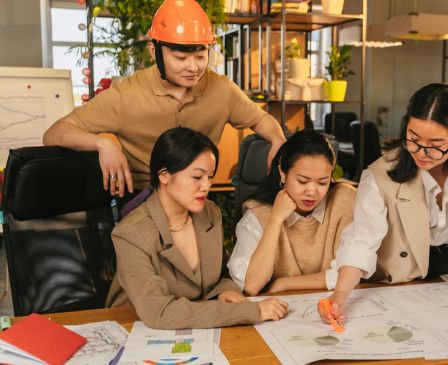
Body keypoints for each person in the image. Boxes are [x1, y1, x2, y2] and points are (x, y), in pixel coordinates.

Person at [318, 83, 448, 323]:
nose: (422, 152)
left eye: (437, 146)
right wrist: (340, 295)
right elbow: (361, 242)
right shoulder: (379, 175)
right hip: (403, 280)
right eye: (413, 138)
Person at [42, 0, 285, 198]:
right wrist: (102, 144)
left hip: (196, 196)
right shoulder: (126, 95)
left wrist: (276, 138)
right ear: (153, 51)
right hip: (142, 199)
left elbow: (259, 118)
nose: (193, 68)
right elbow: (54, 133)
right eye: (180, 58)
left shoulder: (222, 89)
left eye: (201, 57)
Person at [106, 127, 288, 329]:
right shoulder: (130, 233)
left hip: (195, 329)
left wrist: (225, 291)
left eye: (210, 177)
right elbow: (159, 312)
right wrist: (249, 311)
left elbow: (220, 275)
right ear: (164, 175)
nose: (206, 186)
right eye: (197, 177)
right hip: (133, 329)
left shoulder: (209, 214)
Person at [228, 130, 356, 296]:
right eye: (302, 181)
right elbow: (251, 286)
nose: (312, 192)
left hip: (334, 304)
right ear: (283, 173)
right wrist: (275, 220)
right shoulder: (257, 213)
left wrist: (284, 284)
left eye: (322, 182)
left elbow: (353, 269)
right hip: (279, 312)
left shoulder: (344, 201)